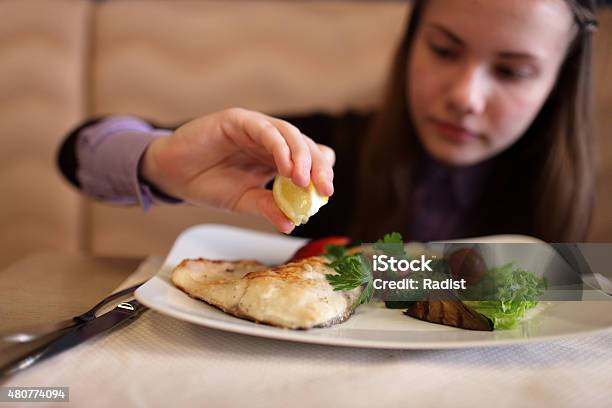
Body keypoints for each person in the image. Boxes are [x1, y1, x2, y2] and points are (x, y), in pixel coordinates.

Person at [57, 0, 599, 243]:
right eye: (443, 49)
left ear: (557, 84)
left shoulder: (581, 199)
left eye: (512, 71)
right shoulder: (323, 150)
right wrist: (160, 162)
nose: (465, 97)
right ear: (410, 43)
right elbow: (77, 152)